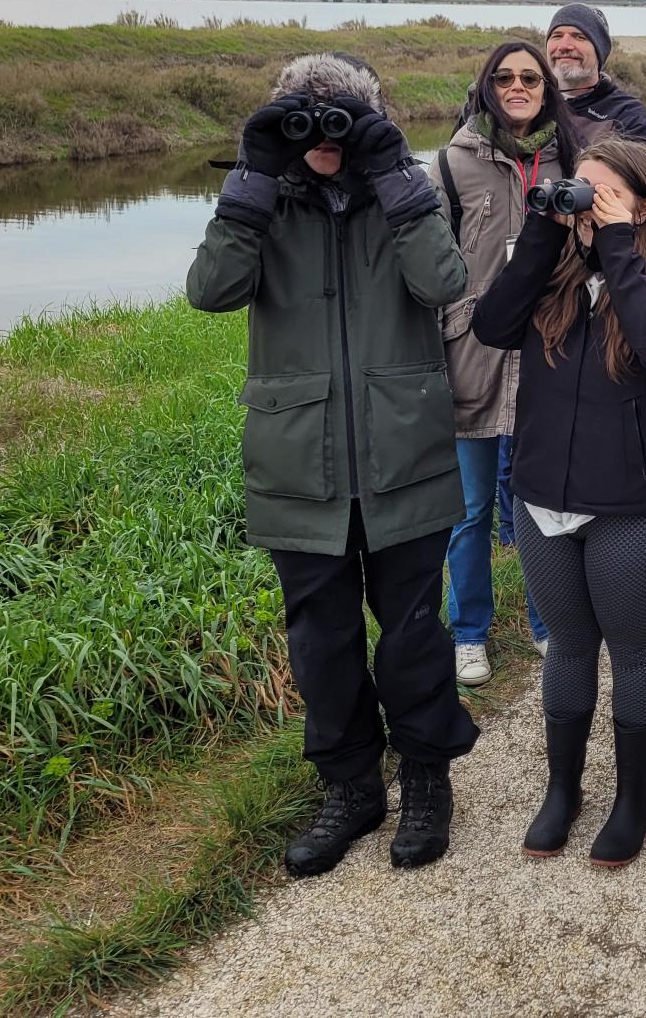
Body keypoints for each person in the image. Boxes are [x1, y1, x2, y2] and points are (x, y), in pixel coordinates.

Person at [186, 53, 479, 877]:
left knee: (414, 636)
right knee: (322, 645)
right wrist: (251, 177)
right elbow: (210, 290)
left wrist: (396, 176)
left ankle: (425, 779)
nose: (324, 136)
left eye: (342, 118)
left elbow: (445, 280)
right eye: (303, 117)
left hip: (404, 453)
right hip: (298, 464)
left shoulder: (402, 197)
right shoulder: (263, 204)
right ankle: (352, 788)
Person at [470, 138, 646, 867]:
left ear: (643, 204)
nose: (587, 204)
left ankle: (634, 798)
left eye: (605, 194)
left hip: (631, 504)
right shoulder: (555, 268)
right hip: (544, 497)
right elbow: (491, 327)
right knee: (570, 647)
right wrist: (543, 234)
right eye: (580, 190)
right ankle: (563, 789)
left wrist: (618, 248)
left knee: (632, 649)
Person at [431, 42, 596, 685]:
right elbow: (432, 266)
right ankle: (469, 633)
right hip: (472, 350)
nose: (518, 86)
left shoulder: (572, 158)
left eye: (531, 77)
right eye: (504, 77)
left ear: (546, 87)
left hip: (548, 345)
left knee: (539, 503)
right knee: (470, 509)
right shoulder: (451, 163)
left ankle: (547, 622)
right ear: (487, 87)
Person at [545, 2, 646, 144]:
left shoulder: (627, 113)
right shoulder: (531, 100)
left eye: (579, 37)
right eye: (557, 36)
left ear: (599, 52)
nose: (564, 46)